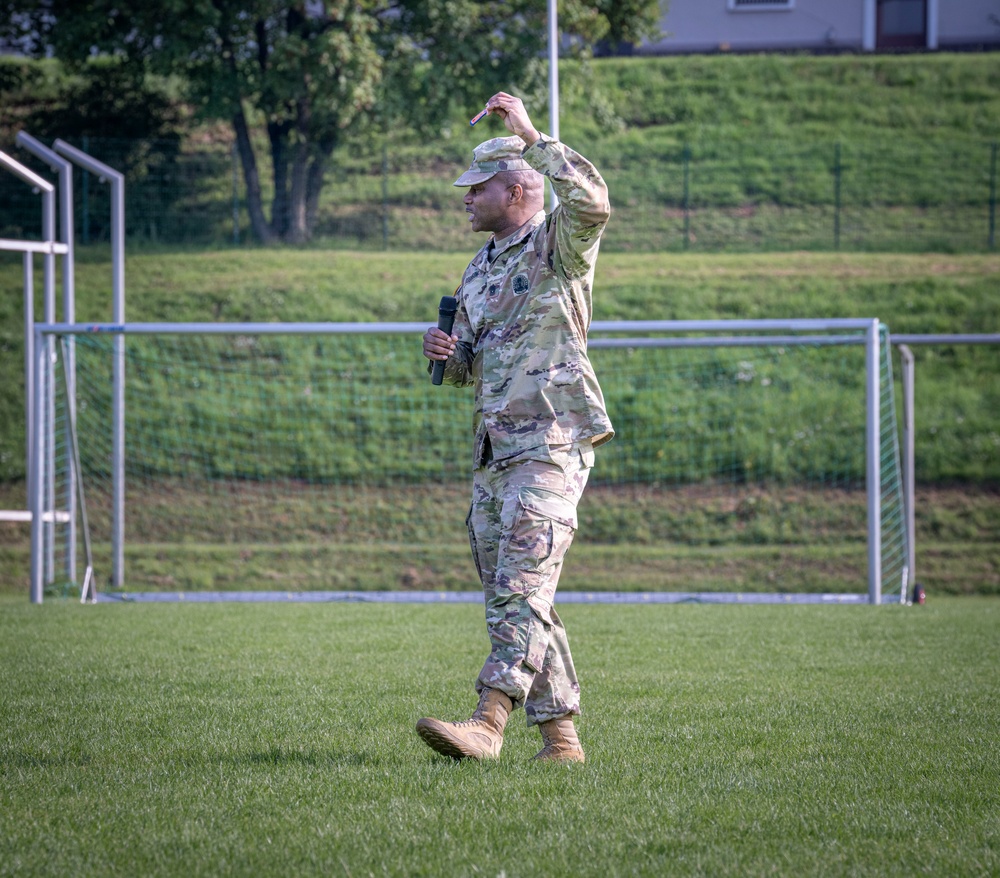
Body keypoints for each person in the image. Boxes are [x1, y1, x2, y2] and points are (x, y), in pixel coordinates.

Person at [416, 92, 614, 764]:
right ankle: (561, 739)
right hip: (496, 451)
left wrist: (533, 136)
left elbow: (592, 202)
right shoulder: (480, 266)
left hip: (553, 441)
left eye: (479, 189)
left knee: (522, 586)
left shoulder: (559, 243)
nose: (466, 199)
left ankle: (488, 723)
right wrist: (451, 356)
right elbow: (476, 364)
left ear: (521, 187)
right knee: (519, 595)